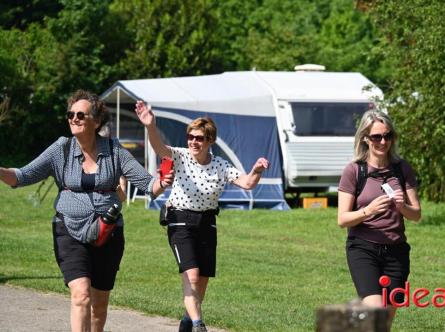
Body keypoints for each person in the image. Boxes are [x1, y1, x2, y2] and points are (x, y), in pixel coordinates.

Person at [0, 90, 173, 332]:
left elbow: (148, 185)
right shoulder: (61, 149)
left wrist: (163, 182)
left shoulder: (114, 151)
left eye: (81, 115)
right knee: (81, 295)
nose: (74, 118)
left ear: (96, 120)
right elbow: (22, 175)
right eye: (70, 114)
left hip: (108, 232)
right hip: (69, 229)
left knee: (99, 306)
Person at [135, 100, 269, 332]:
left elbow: (247, 183)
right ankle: (198, 325)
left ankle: (187, 323)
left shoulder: (220, 164)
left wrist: (256, 171)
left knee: (202, 282)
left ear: (210, 141)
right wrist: (150, 126)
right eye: (191, 137)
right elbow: (160, 148)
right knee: (193, 276)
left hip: (207, 223)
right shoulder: (180, 156)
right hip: (179, 220)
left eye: (199, 138)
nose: (193, 142)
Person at [337, 110, 421, 331]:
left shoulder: (402, 169)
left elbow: (417, 215)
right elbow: (343, 219)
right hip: (363, 249)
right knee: (375, 312)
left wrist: (402, 207)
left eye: (387, 135)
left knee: (385, 321)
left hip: (396, 251)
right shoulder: (354, 171)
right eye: (376, 137)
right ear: (365, 138)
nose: (383, 141)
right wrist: (368, 211)